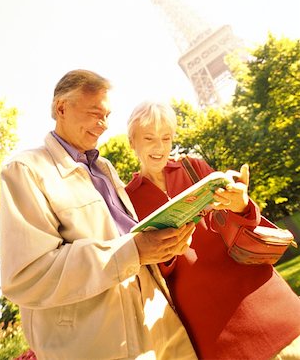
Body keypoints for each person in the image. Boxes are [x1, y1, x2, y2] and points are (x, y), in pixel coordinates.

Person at [0, 70, 198, 360]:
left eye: (107, 116)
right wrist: (134, 250)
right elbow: (27, 275)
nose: (103, 125)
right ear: (61, 108)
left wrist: (163, 247)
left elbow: (128, 243)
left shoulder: (104, 169)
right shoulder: (25, 170)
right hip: (101, 345)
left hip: (161, 329)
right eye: (95, 114)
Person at [125, 101, 300, 360]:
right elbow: (147, 265)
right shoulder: (128, 199)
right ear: (132, 142)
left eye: (166, 138)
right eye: (149, 138)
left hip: (258, 295)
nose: (159, 147)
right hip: (208, 319)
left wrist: (241, 205)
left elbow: (238, 224)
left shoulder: (193, 168)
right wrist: (168, 250)